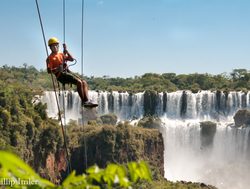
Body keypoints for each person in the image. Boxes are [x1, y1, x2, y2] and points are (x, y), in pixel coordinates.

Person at [46, 37, 98, 108]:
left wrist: (66, 51)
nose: (55, 47)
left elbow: (71, 59)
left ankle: (86, 100)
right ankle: (84, 102)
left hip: (66, 72)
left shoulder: (61, 54)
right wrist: (57, 68)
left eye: (56, 45)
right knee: (79, 82)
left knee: (84, 82)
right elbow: (49, 71)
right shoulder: (50, 58)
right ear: (50, 47)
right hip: (60, 76)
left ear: (58, 46)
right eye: (53, 46)